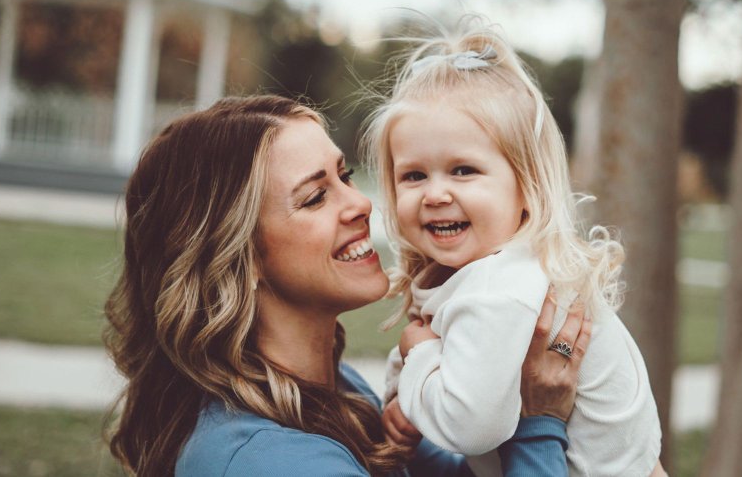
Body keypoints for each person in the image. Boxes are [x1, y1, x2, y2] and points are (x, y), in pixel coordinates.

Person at [103, 94, 592, 476]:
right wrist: (538, 424)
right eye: (315, 197)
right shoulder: (267, 461)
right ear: (237, 256)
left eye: (345, 175)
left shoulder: (332, 388)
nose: (361, 204)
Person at [361, 17, 666, 477]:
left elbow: (471, 428)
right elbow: (448, 345)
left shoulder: (502, 287)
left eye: (463, 170)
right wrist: (405, 392)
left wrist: (418, 360)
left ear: (527, 187)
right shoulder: (484, 272)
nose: (435, 193)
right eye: (414, 175)